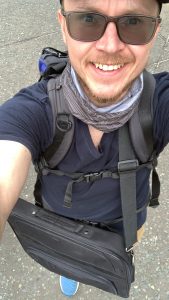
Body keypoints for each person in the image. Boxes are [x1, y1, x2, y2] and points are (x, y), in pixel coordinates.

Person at [0, 0, 169, 297]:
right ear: (64, 26)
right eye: (88, 19)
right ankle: (71, 267)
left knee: (127, 245)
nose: (110, 45)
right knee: (69, 259)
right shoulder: (33, 111)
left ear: (155, 30)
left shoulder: (158, 104)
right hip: (61, 225)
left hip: (127, 222)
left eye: (134, 22)